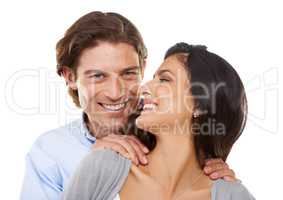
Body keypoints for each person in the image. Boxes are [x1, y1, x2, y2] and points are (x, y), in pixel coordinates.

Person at [20, 12, 236, 200]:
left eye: (128, 73)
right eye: (98, 76)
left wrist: (216, 182)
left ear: (143, 66)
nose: (116, 93)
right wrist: (92, 169)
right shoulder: (49, 152)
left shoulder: (171, 124)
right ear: (69, 77)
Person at [61, 43, 255, 200]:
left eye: (164, 80)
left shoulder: (230, 195)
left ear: (200, 105)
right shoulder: (103, 165)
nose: (144, 87)